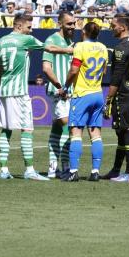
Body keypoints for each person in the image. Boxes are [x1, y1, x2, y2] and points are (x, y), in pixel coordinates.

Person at [0, 14, 72, 180]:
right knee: (27, 130)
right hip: (19, 92)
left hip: (4, 90)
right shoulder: (25, 40)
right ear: (19, 26)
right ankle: (29, 170)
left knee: (6, 130)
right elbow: (49, 48)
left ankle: (3, 170)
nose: (31, 30)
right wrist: (68, 50)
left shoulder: (0, 41)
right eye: (29, 27)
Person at [61, 22, 109, 182]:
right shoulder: (103, 47)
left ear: (84, 32)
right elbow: (104, 70)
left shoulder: (80, 47)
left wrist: (65, 86)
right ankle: (95, 171)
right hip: (97, 94)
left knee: (76, 133)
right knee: (95, 134)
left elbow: (74, 69)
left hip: (82, 94)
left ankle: (73, 171)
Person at [102, 15, 129, 183]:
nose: (112, 28)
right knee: (121, 131)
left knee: (126, 130)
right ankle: (116, 170)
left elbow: (116, 78)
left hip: (122, 93)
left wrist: (108, 99)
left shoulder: (120, 48)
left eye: (113, 26)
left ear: (122, 27)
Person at [42, 11, 75, 178]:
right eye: (69, 23)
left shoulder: (71, 42)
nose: (73, 26)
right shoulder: (51, 40)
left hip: (68, 92)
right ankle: (65, 167)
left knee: (56, 128)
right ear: (60, 24)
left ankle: (52, 168)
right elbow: (46, 68)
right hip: (59, 91)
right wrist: (59, 87)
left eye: (74, 23)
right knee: (67, 127)